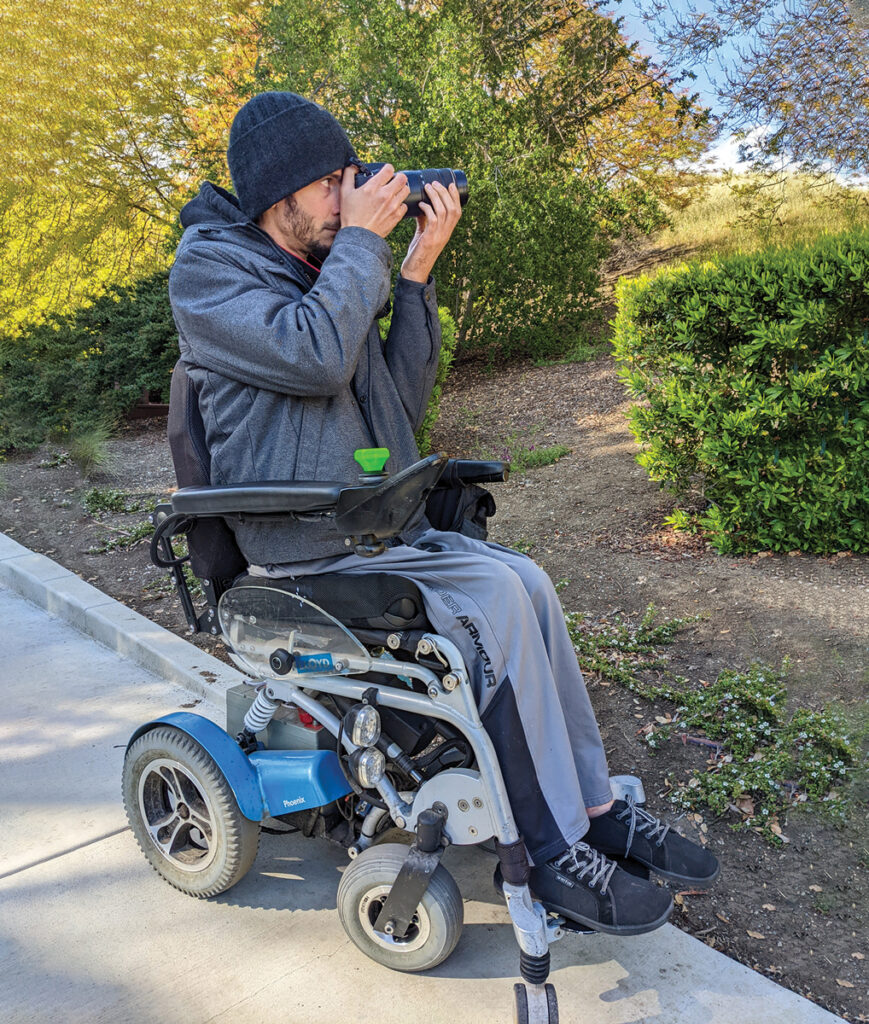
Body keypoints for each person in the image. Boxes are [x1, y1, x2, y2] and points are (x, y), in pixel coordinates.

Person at [168, 91, 719, 936]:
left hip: (370, 528)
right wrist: (363, 243)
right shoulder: (210, 272)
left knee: (525, 582)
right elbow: (313, 359)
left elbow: (399, 405)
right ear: (276, 197)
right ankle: (540, 846)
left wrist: (416, 266)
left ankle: (594, 806)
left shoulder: (323, 271)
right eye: (332, 186)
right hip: (298, 546)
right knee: (486, 606)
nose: (350, 200)